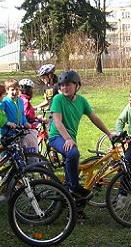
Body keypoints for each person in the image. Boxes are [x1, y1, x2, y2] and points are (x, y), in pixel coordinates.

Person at [49, 70, 111, 201]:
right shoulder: (58, 99)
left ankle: (71, 202)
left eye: (68, 84)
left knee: (70, 167)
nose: (65, 87)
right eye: (62, 85)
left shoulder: (81, 101)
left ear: (77, 85)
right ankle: (75, 187)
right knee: (73, 154)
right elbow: (57, 122)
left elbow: (94, 118)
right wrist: (68, 139)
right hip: (57, 136)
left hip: (69, 139)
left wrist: (109, 134)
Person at [18, 78, 43, 153]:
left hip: (24, 128)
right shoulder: (25, 101)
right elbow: (25, 115)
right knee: (32, 152)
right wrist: (37, 118)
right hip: (27, 129)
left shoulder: (20, 99)